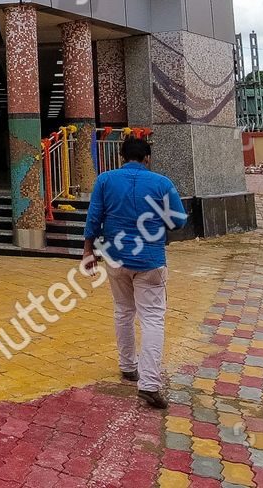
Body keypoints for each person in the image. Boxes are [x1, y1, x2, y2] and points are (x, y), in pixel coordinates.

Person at [81, 135, 188, 410]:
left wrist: (87, 252)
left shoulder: (105, 180)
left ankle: (128, 366)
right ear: (147, 158)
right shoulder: (162, 183)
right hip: (150, 260)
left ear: (121, 156)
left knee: (122, 311)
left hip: (115, 259)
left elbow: (94, 217)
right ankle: (149, 384)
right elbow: (178, 221)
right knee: (152, 319)